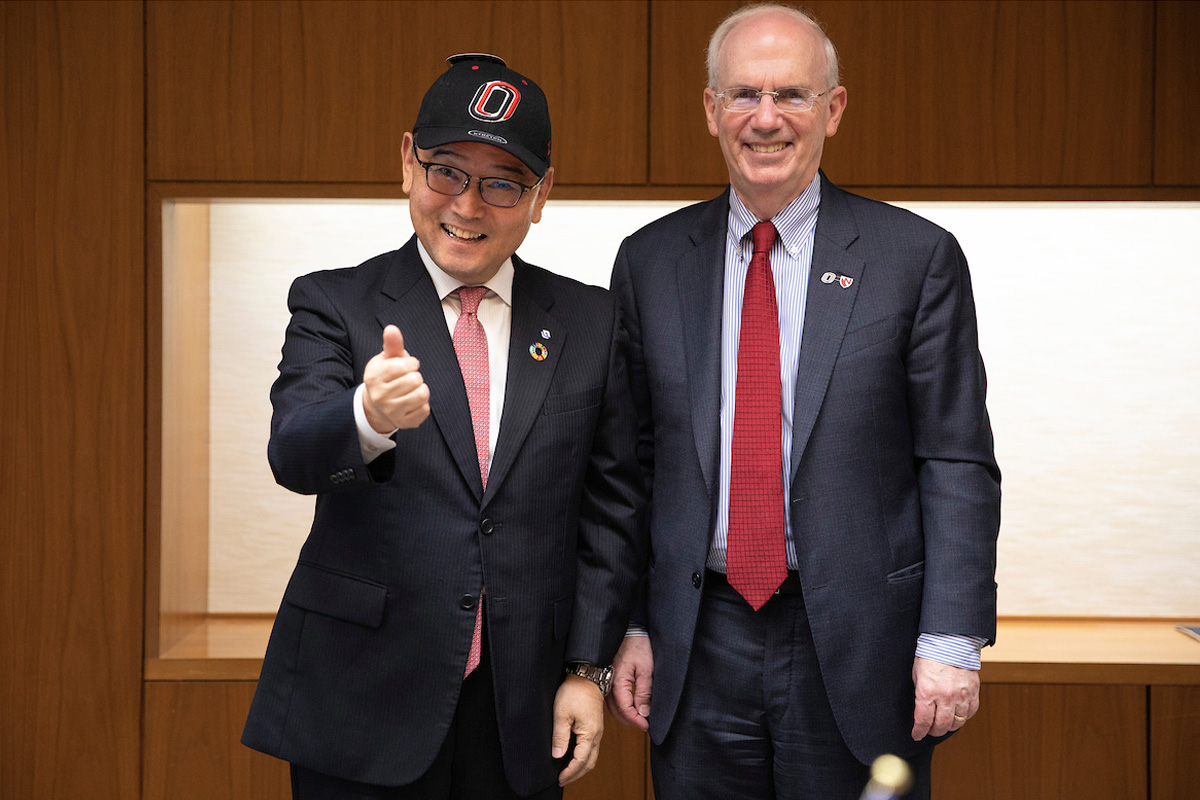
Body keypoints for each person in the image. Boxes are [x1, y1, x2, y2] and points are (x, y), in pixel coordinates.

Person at [606, 5, 1000, 799]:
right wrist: (632, 624)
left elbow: (954, 459)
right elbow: (630, 466)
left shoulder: (913, 259)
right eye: (744, 94)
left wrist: (951, 637)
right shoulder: (649, 262)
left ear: (834, 108)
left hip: (859, 644)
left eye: (791, 94)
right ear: (711, 109)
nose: (766, 118)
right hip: (698, 636)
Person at [242, 54, 645, 800]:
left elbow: (613, 511)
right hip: (361, 697)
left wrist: (587, 669)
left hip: (520, 708)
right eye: (447, 171)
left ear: (541, 195)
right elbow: (293, 453)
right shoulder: (335, 303)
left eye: (502, 183)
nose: (467, 204)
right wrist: (368, 418)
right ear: (406, 161)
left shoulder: (592, 322)